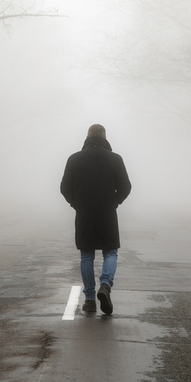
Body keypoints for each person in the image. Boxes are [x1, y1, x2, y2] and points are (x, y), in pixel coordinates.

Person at [60, 124, 132, 314]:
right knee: (110, 252)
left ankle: (90, 300)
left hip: (84, 212)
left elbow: (65, 188)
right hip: (107, 211)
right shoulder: (115, 159)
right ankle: (106, 285)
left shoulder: (74, 159)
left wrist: (77, 204)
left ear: (87, 137)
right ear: (105, 137)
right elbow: (126, 187)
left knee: (86, 255)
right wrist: (114, 202)